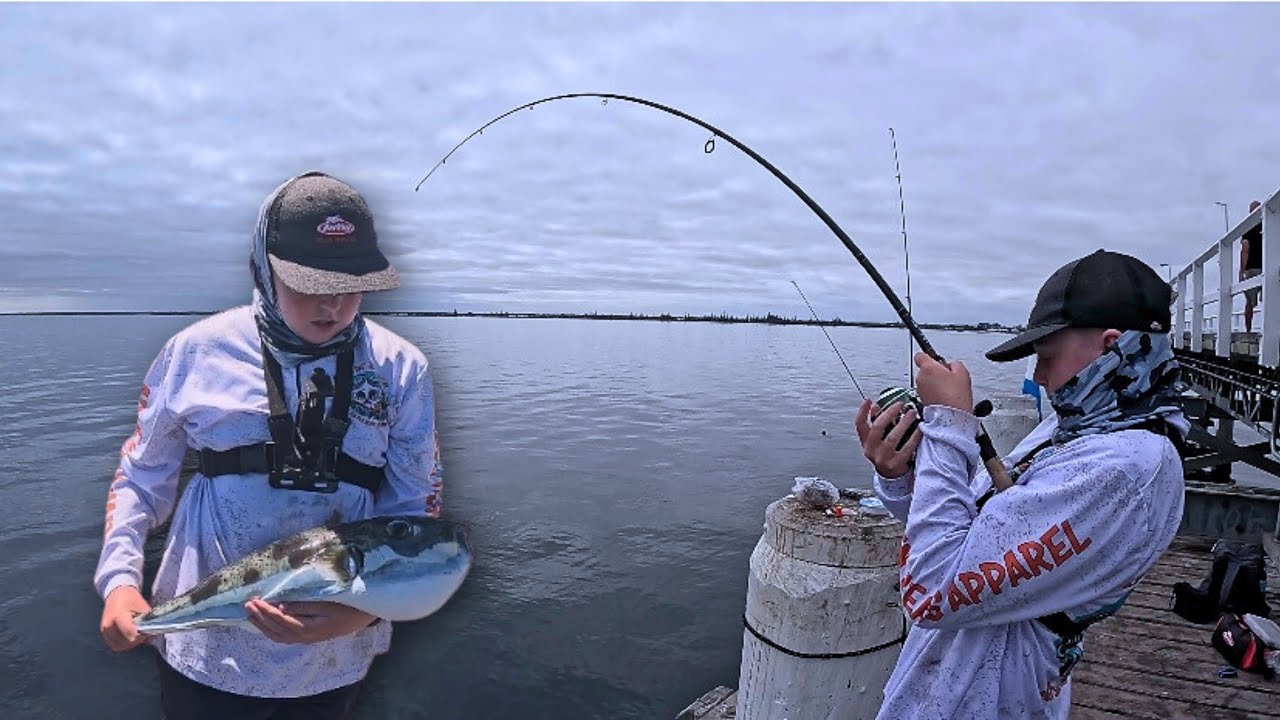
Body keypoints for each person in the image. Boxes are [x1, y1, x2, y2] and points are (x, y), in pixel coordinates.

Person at [95, 171, 444, 719]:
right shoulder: (194, 353)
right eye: (309, 284)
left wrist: (369, 612)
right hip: (204, 652)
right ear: (262, 266)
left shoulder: (403, 371)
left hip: (336, 657)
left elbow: (411, 509)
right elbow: (142, 476)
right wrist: (119, 581)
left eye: (350, 284)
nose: (333, 305)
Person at [856, 249, 1186, 719]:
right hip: (956, 684)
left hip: (985, 700)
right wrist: (900, 475)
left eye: (1046, 357)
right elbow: (966, 534)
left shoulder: (1126, 470)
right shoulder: (1078, 426)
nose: (1038, 377)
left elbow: (931, 589)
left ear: (1112, 347)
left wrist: (949, 428)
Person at [1241, 200, 1264, 333]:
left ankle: (1248, 331)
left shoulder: (1248, 228)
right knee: (1269, 299)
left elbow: (1245, 249)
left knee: (1249, 302)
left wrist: (1242, 270)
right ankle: (1268, 327)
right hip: (1267, 266)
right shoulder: (1268, 224)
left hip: (1252, 269)